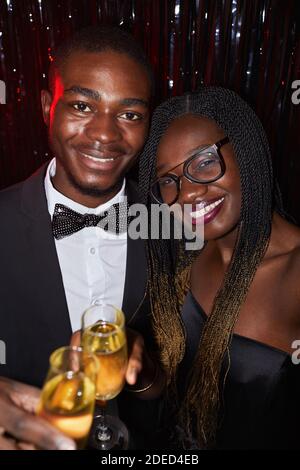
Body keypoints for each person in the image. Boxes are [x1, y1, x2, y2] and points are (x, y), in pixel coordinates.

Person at [0, 26, 164, 450]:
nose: (106, 134)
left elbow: (178, 393)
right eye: (81, 105)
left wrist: (144, 375)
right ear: (46, 107)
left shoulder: (174, 231)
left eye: (129, 114)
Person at [138, 87, 300, 449]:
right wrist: (142, 374)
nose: (188, 193)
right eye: (169, 180)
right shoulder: (186, 254)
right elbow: (179, 396)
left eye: (204, 162)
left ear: (246, 150)